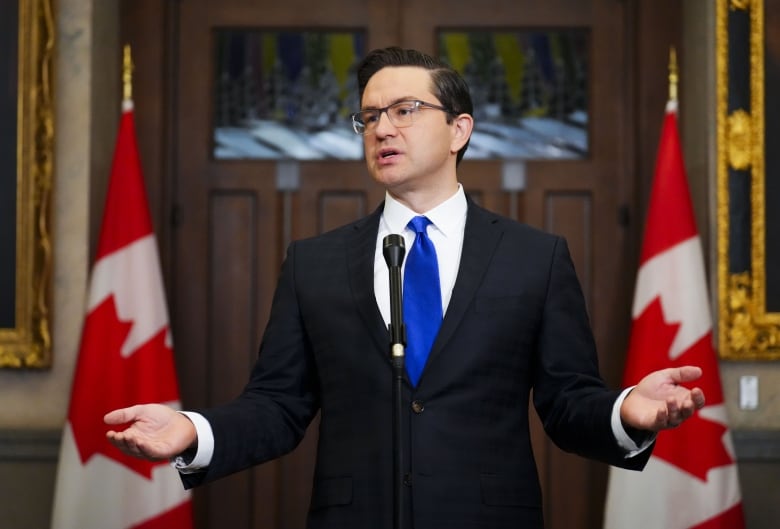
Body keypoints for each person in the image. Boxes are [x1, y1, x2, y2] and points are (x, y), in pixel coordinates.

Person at [105, 47, 705, 529]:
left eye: (405, 110)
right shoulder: (314, 263)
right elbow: (278, 407)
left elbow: (568, 402)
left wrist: (629, 411)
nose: (381, 129)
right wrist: (194, 432)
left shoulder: (534, 258)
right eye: (369, 116)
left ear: (458, 130)